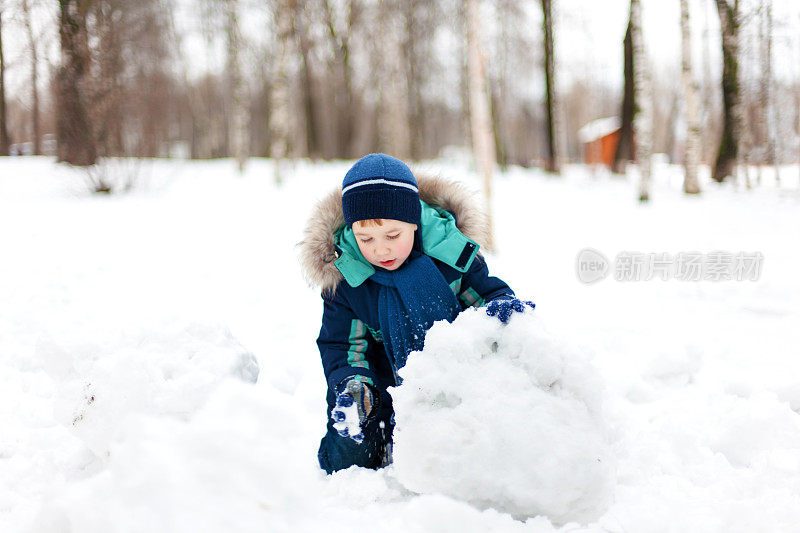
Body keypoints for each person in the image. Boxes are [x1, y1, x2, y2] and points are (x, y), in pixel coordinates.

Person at [298, 153, 534, 474]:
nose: (380, 250)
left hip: (455, 375)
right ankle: (356, 423)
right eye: (365, 239)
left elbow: (485, 295)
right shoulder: (348, 278)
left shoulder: (450, 254)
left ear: (414, 223)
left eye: (392, 236)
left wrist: (503, 311)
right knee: (351, 454)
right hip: (383, 388)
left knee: (481, 443)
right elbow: (344, 346)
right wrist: (356, 385)